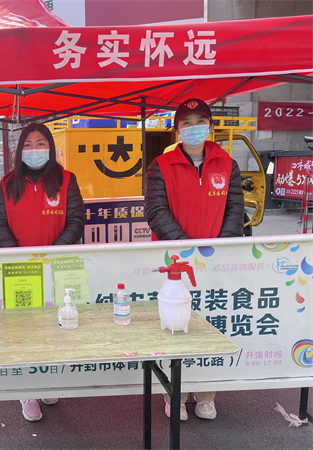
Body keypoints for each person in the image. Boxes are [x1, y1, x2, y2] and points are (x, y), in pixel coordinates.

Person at [145, 98, 244, 421]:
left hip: (215, 261)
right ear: (177, 129)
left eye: (200, 121)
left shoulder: (227, 163)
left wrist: (220, 248)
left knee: (210, 325)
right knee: (174, 325)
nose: (193, 128)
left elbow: (235, 209)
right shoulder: (160, 165)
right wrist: (185, 247)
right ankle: (173, 394)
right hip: (175, 261)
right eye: (186, 123)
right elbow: (156, 210)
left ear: (210, 126)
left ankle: (206, 394)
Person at [0, 123, 85, 421]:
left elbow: (76, 220)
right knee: (23, 329)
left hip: (58, 267)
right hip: (20, 270)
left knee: (55, 327)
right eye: (28, 144)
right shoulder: (8, 183)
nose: (34, 150)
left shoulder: (66, 180)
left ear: (50, 147)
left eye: (41, 143)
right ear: (20, 150)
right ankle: (27, 392)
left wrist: (54, 253)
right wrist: (17, 255)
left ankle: (48, 381)